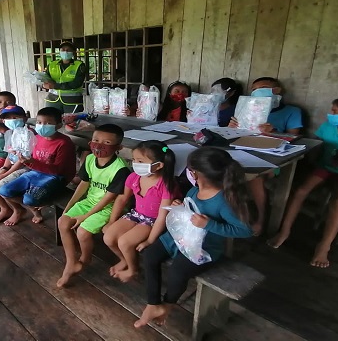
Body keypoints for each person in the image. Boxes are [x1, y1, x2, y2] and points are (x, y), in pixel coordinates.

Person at [135, 148, 252, 328]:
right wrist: (180, 206)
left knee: (177, 271)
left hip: (203, 247)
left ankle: (167, 304)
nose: (187, 172)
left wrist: (209, 224)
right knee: (150, 255)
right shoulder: (193, 190)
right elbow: (189, 208)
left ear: (197, 174)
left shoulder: (224, 201)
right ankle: (152, 304)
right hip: (180, 238)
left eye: (190, 169)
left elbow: (244, 230)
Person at [268, 95, 338, 268]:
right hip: (326, 167)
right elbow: (317, 148)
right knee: (300, 192)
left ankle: (324, 246)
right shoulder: (328, 127)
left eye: (335, 111)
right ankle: (284, 231)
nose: (331, 114)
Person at [56, 124, 131, 288]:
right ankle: (71, 263)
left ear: (118, 147)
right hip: (89, 202)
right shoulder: (90, 159)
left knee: (82, 232)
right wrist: (70, 205)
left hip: (107, 208)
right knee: (63, 221)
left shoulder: (120, 168)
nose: (99, 145)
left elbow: (109, 198)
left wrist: (85, 216)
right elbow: (84, 183)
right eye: (96, 140)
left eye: (106, 142)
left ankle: (85, 258)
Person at [229, 77, 304, 235]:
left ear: (277, 91)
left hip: (274, 157)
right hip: (244, 151)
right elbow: (233, 135)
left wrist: (274, 132)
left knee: (256, 177)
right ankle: (230, 215)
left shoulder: (291, 111)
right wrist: (231, 127)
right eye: (254, 89)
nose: (257, 92)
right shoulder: (244, 108)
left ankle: (260, 219)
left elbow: (296, 139)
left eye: (263, 87)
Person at [103, 141, 178, 283]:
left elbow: (162, 216)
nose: (135, 164)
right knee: (108, 237)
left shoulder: (166, 185)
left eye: (140, 161)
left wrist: (150, 240)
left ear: (159, 165)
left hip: (153, 221)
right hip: (136, 214)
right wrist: (111, 222)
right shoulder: (134, 177)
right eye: (134, 160)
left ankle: (133, 269)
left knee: (124, 242)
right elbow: (122, 199)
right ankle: (124, 259)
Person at [0, 107, 76, 225]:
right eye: (39, 122)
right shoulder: (37, 138)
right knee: (4, 190)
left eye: (48, 123)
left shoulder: (64, 143)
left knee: (29, 199)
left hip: (55, 177)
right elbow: (32, 158)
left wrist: (32, 162)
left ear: (58, 125)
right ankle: (34, 208)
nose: (42, 126)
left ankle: (36, 204)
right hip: (35, 172)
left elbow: (58, 170)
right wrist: (21, 156)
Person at [0, 105, 31, 225]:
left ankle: (18, 210)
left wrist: (5, 174)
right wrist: (4, 169)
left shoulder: (28, 134)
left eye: (16, 117)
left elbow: (23, 160)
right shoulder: (9, 133)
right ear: (3, 121)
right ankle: (5, 208)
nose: (12, 120)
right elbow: (9, 155)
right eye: (8, 118)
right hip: (11, 166)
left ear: (24, 118)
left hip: (26, 167)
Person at [42, 42, 87, 113]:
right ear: (59, 51)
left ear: (73, 52)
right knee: (51, 120)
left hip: (72, 101)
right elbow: (45, 78)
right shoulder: (52, 64)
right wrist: (43, 84)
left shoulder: (79, 65)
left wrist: (55, 85)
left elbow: (77, 83)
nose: (65, 51)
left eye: (68, 50)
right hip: (53, 100)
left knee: (72, 122)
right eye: (63, 49)